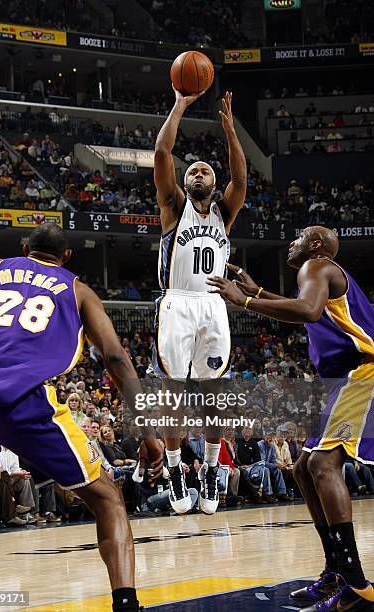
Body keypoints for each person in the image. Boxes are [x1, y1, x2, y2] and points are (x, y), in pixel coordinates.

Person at [0, 223, 162, 612]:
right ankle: (126, 604)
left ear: (25, 248)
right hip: (25, 401)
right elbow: (116, 359)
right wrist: (148, 431)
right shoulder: (79, 291)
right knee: (108, 499)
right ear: (67, 256)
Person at [207, 226, 374, 611]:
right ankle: (335, 570)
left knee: (321, 464)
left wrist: (244, 303)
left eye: (301, 235)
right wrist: (258, 292)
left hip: (361, 372)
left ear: (316, 245)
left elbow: (307, 312)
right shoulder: (320, 274)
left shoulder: (316, 265)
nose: (293, 240)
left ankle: (355, 583)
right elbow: (312, 309)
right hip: (342, 377)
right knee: (302, 468)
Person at [153, 88, 246, 515]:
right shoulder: (173, 207)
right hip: (177, 303)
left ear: (213, 183)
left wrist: (229, 131)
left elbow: (241, 179)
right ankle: (174, 472)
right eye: (193, 170)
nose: (199, 172)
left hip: (213, 306)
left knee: (214, 395)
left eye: (205, 170)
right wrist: (180, 104)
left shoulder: (225, 212)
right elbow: (161, 153)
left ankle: (209, 470)